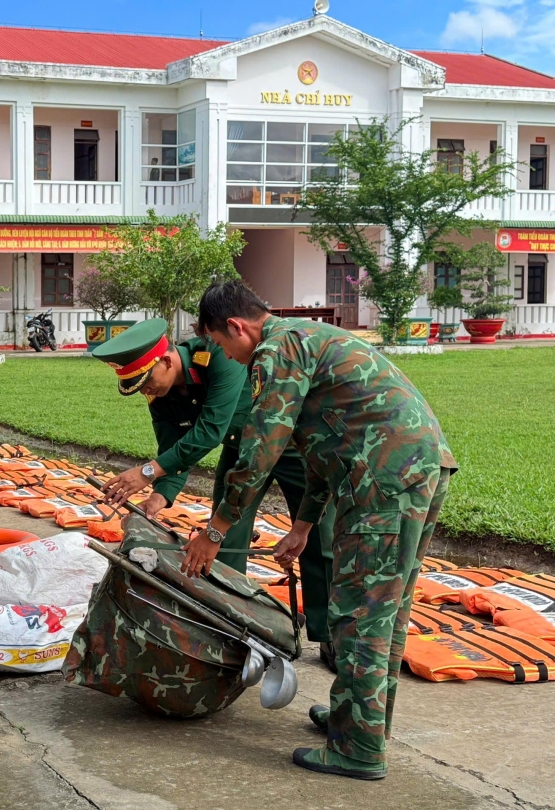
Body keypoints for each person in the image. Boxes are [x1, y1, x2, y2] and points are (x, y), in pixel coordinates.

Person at [186, 280, 456, 780]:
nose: (229, 358)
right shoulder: (305, 338)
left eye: (222, 347)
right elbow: (319, 445)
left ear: (237, 327)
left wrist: (216, 529)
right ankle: (361, 721)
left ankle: (358, 749)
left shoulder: (277, 349)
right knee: (386, 611)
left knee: (360, 613)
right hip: (414, 469)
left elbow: (263, 446)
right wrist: (304, 525)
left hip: (383, 480)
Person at [93, 318, 337, 662]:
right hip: (242, 452)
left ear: (165, 361)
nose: (146, 391)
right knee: (223, 538)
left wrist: (147, 471)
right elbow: (173, 445)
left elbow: (209, 430)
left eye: (147, 382)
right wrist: (161, 494)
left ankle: (330, 636)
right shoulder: (161, 396)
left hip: (289, 445)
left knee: (318, 537)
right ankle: (235, 626)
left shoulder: (216, 357)